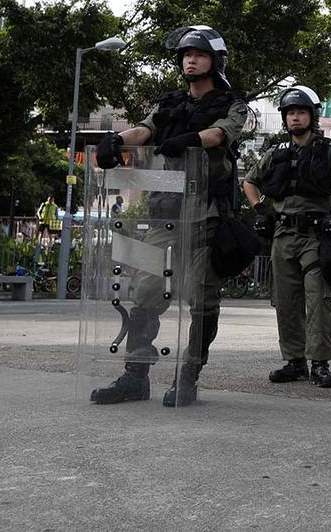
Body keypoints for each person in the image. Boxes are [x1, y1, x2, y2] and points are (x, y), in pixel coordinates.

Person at [89, 25, 249, 407]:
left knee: (202, 299)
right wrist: (115, 141)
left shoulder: (232, 103)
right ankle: (134, 375)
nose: (190, 60)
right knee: (145, 291)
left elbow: (221, 135)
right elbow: (146, 130)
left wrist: (192, 139)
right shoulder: (170, 103)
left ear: (214, 60)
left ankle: (189, 374)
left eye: (199, 54)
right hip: (165, 212)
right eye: (185, 55)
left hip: (207, 214)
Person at [243, 86, 331, 387]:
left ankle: (319, 363)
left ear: (312, 116)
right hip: (281, 234)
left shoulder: (330, 151)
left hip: (315, 236)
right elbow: (249, 182)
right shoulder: (275, 154)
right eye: (290, 113)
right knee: (286, 301)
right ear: (284, 118)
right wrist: (259, 208)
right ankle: (294, 362)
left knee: (317, 299)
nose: (295, 117)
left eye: (301, 112)